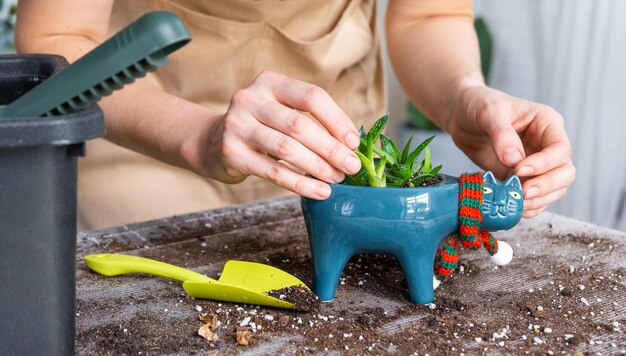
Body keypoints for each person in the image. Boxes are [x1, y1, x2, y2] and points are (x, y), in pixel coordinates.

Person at [15, 0, 575, 230]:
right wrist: (200, 136)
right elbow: (60, 39)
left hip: (339, 153)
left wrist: (461, 96)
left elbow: (430, 13)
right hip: (140, 136)